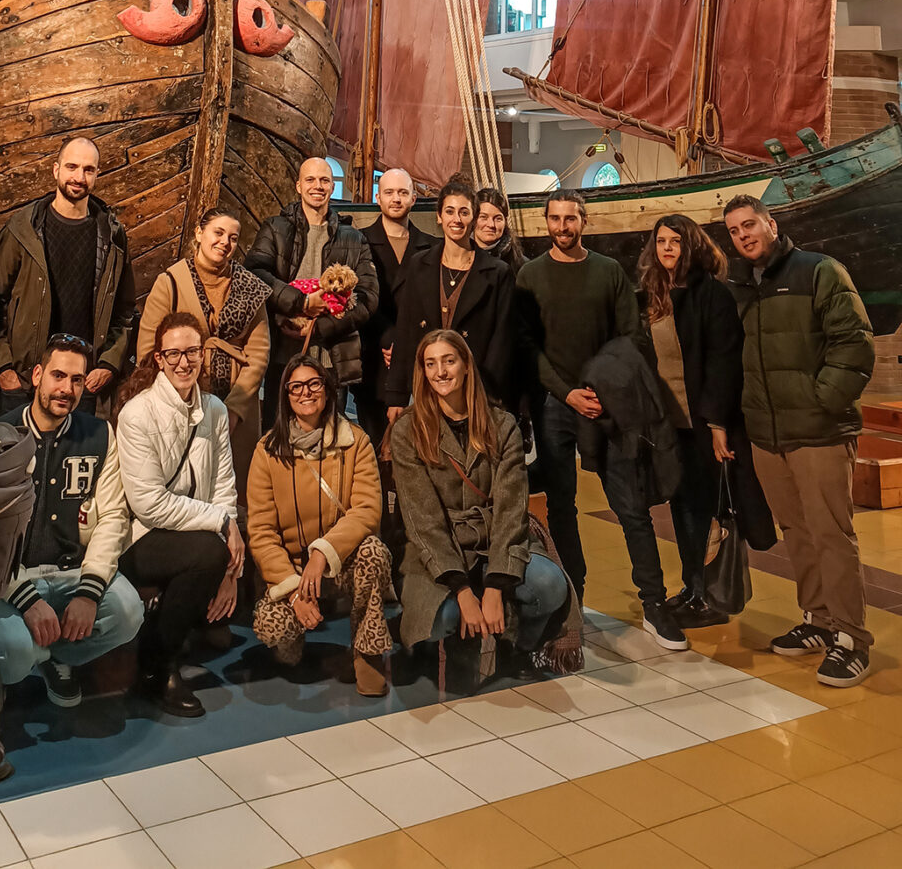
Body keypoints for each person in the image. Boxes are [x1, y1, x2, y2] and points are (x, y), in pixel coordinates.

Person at [514, 189, 687, 650]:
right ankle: (574, 600)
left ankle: (654, 603)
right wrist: (566, 393)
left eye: (571, 218)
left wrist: (601, 391)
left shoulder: (608, 272)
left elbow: (629, 337)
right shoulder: (530, 275)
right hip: (558, 405)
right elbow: (527, 347)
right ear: (545, 222)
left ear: (584, 221)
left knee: (630, 506)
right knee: (562, 508)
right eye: (555, 218)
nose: (563, 226)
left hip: (607, 403)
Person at [725, 194, 876, 687]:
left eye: (750, 225)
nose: (743, 235)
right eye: (734, 230)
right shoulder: (740, 285)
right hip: (768, 435)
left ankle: (851, 638)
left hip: (818, 431)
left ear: (771, 224)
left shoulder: (819, 271)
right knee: (797, 530)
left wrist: (823, 400)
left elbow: (854, 342)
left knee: (832, 533)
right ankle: (818, 619)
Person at [0, 335, 144, 707]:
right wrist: (25, 598)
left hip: (70, 572)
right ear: (37, 376)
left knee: (129, 611)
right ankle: (31, 654)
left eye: (77, 380)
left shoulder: (99, 435)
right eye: (57, 376)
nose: (66, 388)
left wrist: (88, 592)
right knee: (15, 655)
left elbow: (113, 517)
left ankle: (58, 657)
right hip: (7, 580)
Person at [390, 330, 571, 660]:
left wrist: (495, 585)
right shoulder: (407, 430)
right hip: (438, 546)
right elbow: (422, 520)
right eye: (431, 364)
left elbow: (510, 509)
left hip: (494, 541)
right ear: (423, 372)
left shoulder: (502, 426)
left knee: (549, 586)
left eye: (449, 361)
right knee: (442, 616)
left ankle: (517, 647)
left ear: (466, 366)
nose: (441, 372)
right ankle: (441, 647)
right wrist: (462, 590)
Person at [636, 214, 776, 627]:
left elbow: (723, 360)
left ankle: (712, 596)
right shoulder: (651, 294)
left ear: (692, 246)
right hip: (668, 426)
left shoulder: (711, 293)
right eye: (661, 241)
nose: (667, 248)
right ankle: (692, 588)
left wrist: (717, 423)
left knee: (712, 510)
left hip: (703, 425)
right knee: (683, 509)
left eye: (675, 241)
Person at [115, 311, 245, 716]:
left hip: (197, 536)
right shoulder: (138, 414)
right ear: (158, 358)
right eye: (173, 354)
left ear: (203, 355)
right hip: (140, 539)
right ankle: (158, 668)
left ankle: (169, 634)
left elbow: (224, 486)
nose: (183, 363)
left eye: (191, 352)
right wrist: (221, 527)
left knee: (225, 558)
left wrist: (230, 563)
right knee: (208, 551)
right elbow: (148, 504)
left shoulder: (216, 411)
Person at [248, 356, 393, 697]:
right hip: (293, 570)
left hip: (337, 561)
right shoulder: (267, 452)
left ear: (327, 391)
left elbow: (367, 510)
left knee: (374, 551)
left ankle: (367, 652)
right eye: (295, 386)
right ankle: (291, 645)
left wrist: (322, 554)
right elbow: (262, 532)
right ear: (285, 395)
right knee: (272, 626)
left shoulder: (355, 442)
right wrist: (295, 589)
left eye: (314, 384)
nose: (305, 392)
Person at [0, 136, 136, 417]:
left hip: (83, 386)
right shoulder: (22, 230)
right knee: (19, 461)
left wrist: (108, 365)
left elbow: (124, 312)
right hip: (25, 385)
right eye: (72, 167)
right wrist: (5, 370)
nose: (79, 176)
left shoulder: (112, 235)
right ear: (55, 170)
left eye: (88, 169)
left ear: (97, 174)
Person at [137, 208, 270, 496]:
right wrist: (168, 400)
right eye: (218, 233)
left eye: (233, 238)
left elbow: (259, 352)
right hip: (181, 398)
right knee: (182, 478)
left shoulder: (250, 288)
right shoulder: (170, 282)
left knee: (231, 484)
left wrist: (235, 408)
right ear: (200, 233)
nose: (225, 242)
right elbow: (149, 346)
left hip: (237, 397)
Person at [244, 157, 378, 428]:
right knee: (279, 434)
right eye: (311, 180)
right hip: (283, 355)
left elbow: (368, 297)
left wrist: (319, 328)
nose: (318, 186)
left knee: (329, 440)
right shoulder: (275, 228)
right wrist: (301, 303)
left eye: (324, 180)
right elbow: (254, 274)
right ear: (298, 186)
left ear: (332, 187)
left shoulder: (353, 238)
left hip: (334, 359)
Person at [385, 178, 514, 419]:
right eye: (450, 211)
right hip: (426, 386)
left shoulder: (497, 273)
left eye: (464, 212)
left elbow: (502, 341)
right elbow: (405, 330)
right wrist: (396, 395)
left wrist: (488, 396)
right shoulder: (419, 265)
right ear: (439, 216)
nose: (456, 219)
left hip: (474, 390)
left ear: (473, 219)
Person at [355, 169, 433, 442]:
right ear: (378, 198)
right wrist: (387, 337)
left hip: (420, 363)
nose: (396, 199)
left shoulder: (432, 247)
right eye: (389, 192)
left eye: (402, 192)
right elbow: (356, 298)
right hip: (374, 361)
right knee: (374, 447)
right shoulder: (358, 242)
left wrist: (407, 342)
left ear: (413, 198)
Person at [473, 187, 527, 275]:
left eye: (498, 219)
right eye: (483, 217)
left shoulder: (521, 266)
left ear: (505, 221)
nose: (491, 225)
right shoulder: (459, 259)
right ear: (473, 219)